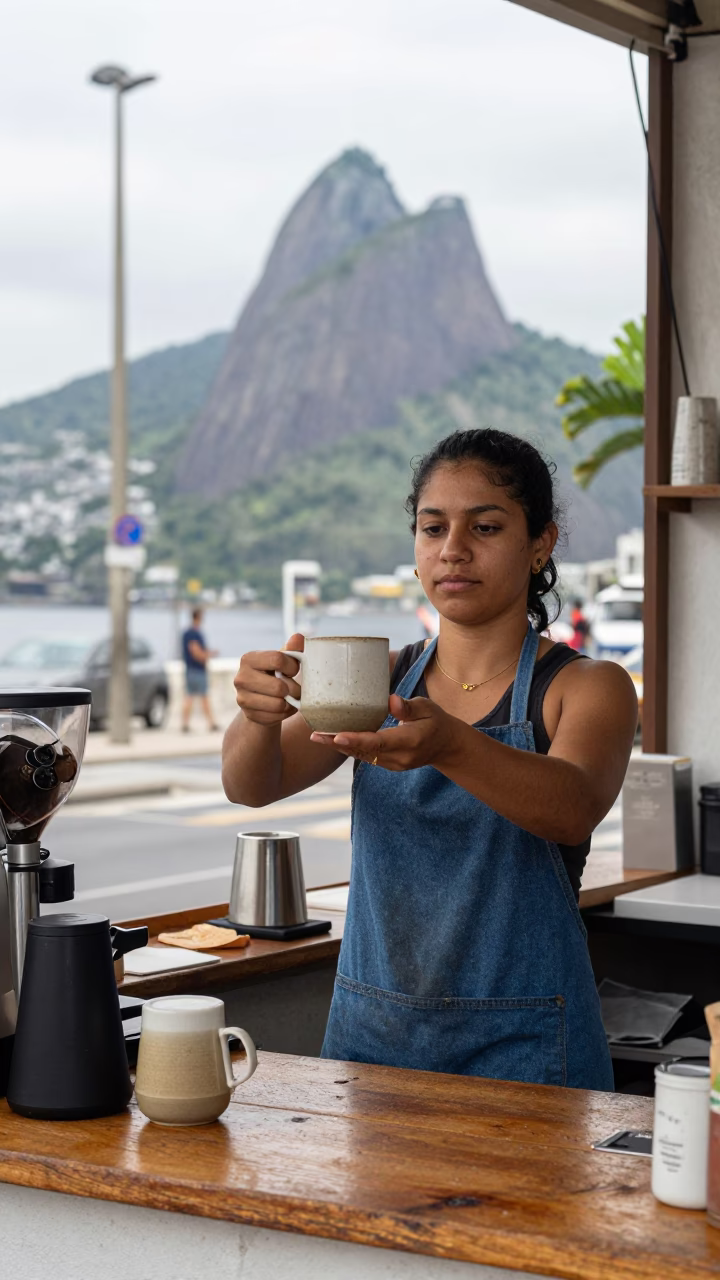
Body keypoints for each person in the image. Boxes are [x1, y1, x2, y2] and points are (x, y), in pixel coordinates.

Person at [222, 429, 637, 1089]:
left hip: (527, 1050)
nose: (453, 549)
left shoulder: (586, 686)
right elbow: (252, 784)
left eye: (486, 527)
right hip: (371, 1040)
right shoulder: (381, 677)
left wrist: (450, 745)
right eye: (433, 527)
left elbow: (571, 807)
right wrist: (256, 713)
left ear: (541, 544)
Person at [181, 607, 219, 732]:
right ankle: (211, 723)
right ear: (199, 617)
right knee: (203, 697)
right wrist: (209, 655)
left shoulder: (187, 633)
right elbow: (196, 652)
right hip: (197, 670)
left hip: (190, 669)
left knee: (189, 696)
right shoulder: (194, 633)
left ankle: (185, 724)